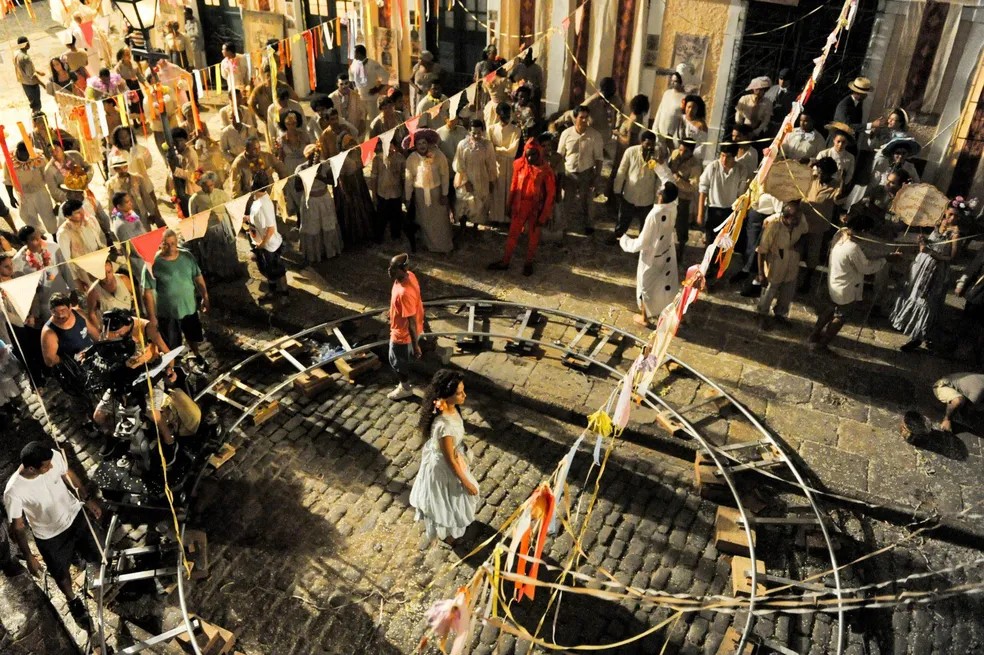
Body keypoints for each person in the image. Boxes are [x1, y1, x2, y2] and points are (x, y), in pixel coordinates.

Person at [4, 442, 102, 625]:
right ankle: (73, 600)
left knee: (95, 552)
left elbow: (67, 473)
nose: (51, 467)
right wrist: (29, 556)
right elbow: (18, 526)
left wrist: (87, 499)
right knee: (62, 575)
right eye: (46, 466)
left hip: (75, 516)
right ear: (32, 468)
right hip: (51, 537)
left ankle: (96, 575)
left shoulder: (52, 456)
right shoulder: (13, 491)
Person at [409, 369, 479, 546]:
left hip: (453, 457)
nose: (464, 395)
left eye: (463, 390)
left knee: (451, 499)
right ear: (446, 396)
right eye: (459, 393)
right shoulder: (444, 427)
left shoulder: (452, 408)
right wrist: (467, 483)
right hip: (444, 469)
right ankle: (446, 531)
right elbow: (450, 461)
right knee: (445, 501)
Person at [809, 216, 893, 353]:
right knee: (840, 316)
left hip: (834, 281)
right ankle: (822, 344)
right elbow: (866, 268)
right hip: (846, 287)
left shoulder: (839, 236)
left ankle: (814, 335)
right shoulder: (853, 248)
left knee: (829, 310)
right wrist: (885, 260)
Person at [890, 205, 960, 353]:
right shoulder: (936, 226)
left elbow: (951, 257)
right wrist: (923, 242)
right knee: (913, 294)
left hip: (936, 270)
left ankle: (919, 337)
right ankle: (910, 327)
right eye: (950, 214)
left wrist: (933, 253)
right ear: (944, 213)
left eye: (955, 216)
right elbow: (930, 243)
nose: (952, 218)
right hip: (922, 265)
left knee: (927, 302)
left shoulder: (954, 233)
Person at [487, 138, 557, 276]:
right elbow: (514, 185)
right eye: (528, 154)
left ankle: (528, 263)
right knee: (513, 234)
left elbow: (550, 195)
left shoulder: (546, 171)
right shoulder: (519, 165)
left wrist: (544, 215)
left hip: (536, 208)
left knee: (533, 236)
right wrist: (509, 205)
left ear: (539, 154)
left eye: (534, 155)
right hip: (519, 205)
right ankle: (505, 261)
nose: (530, 158)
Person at [619, 182, 680, 327]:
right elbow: (669, 180)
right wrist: (660, 166)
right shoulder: (673, 206)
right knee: (668, 285)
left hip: (653, 257)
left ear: (660, 195)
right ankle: (673, 314)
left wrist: (624, 240)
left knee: (646, 287)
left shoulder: (654, 215)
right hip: (667, 251)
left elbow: (642, 242)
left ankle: (644, 318)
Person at [141, 229, 210, 359]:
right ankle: (175, 365)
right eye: (166, 244)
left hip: (189, 307)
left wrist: (205, 296)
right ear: (160, 244)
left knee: (192, 335)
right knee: (172, 343)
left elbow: (198, 276)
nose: (171, 247)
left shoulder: (187, 257)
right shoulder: (152, 264)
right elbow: (147, 293)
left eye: (173, 243)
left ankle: (196, 354)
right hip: (167, 313)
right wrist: (152, 316)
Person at [755, 201, 807, 330]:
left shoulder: (800, 222)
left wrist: (800, 245)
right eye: (794, 218)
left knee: (788, 292)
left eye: (798, 217)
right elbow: (761, 250)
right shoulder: (774, 226)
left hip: (792, 261)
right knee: (769, 291)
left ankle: (780, 314)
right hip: (775, 262)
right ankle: (762, 315)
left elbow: (805, 233)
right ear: (785, 217)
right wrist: (761, 273)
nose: (797, 221)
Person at [697, 143, 746, 279]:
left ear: (734, 157)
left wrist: (737, 216)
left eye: (728, 157)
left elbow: (740, 194)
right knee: (711, 244)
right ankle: (705, 272)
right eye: (722, 155)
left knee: (724, 246)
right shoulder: (713, 167)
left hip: (730, 212)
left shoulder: (741, 169)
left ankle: (717, 273)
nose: (724, 160)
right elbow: (703, 190)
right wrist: (700, 213)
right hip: (713, 210)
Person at [557, 105, 604, 235]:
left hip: (586, 173)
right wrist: (558, 174)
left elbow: (599, 158)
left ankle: (589, 225)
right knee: (567, 201)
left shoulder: (595, 135)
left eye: (586, 117)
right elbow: (560, 155)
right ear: (575, 118)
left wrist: (597, 176)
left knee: (587, 202)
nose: (584, 120)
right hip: (569, 173)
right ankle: (563, 225)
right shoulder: (566, 134)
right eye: (581, 117)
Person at [610, 131, 665, 243]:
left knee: (645, 223)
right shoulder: (631, 151)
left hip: (647, 197)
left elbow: (659, 177)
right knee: (623, 219)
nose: (650, 147)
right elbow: (622, 171)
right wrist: (617, 190)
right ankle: (617, 237)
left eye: (652, 144)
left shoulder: (656, 155)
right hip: (630, 194)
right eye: (648, 144)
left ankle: (643, 243)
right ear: (642, 142)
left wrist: (657, 197)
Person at [404, 129, 452, 253]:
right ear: (415, 146)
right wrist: (408, 198)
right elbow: (409, 180)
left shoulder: (438, 155)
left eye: (424, 143)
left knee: (440, 220)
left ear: (428, 143)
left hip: (436, 192)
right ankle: (430, 245)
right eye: (419, 144)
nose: (422, 146)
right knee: (425, 220)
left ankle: (443, 246)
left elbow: (444, 175)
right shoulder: (411, 159)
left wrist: (444, 193)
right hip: (421, 193)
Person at [798, 157, 840, 293]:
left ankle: (807, 281)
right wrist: (811, 164)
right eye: (820, 171)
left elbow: (839, 199)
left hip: (818, 226)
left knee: (813, 254)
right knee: (796, 250)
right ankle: (791, 276)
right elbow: (801, 173)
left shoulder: (836, 186)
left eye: (824, 173)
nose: (821, 175)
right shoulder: (812, 178)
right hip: (801, 222)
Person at [245, 172, 288, 302]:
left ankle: (285, 295)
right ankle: (272, 291)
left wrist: (262, 244)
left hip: (270, 245)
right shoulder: (258, 200)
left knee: (278, 270)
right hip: (261, 242)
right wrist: (248, 218)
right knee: (268, 269)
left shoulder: (265, 204)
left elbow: (271, 228)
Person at [387, 253, 424, 401]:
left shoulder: (404, 293)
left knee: (397, 363)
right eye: (390, 267)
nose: (390, 270)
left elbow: (411, 321)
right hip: (403, 328)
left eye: (394, 268)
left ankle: (405, 388)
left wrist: (416, 346)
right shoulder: (408, 276)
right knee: (400, 360)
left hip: (401, 335)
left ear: (403, 269)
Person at [295, 146, 343, 263]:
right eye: (311, 157)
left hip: (325, 200)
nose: (314, 160)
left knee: (328, 225)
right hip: (310, 201)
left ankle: (330, 250)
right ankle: (314, 253)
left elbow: (333, 181)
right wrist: (308, 178)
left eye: (316, 157)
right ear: (307, 157)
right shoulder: (301, 168)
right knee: (312, 227)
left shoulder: (325, 166)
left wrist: (320, 177)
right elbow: (297, 187)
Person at [452, 119, 497, 231]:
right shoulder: (462, 145)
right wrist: (465, 181)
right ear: (469, 131)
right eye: (473, 133)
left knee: (480, 204)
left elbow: (491, 164)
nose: (476, 135)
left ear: (482, 131)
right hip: (466, 176)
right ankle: (463, 227)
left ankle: (475, 227)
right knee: (464, 202)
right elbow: (459, 164)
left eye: (479, 132)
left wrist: (491, 180)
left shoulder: (487, 145)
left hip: (482, 178)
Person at [334, 135, 377, 248]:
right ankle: (355, 239)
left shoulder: (356, 153)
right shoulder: (341, 158)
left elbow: (361, 166)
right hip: (350, 187)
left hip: (359, 184)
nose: (351, 145)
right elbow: (341, 178)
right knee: (353, 213)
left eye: (352, 142)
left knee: (364, 210)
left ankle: (366, 235)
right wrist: (346, 194)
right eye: (349, 144)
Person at [5, 142, 57, 235]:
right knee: (28, 217)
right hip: (23, 194)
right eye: (24, 155)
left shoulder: (38, 157)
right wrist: (11, 197)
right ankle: (38, 236)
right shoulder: (9, 162)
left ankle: (54, 234)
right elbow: (8, 180)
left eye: (28, 154)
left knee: (48, 214)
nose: (26, 157)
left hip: (40, 190)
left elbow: (47, 174)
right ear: (18, 152)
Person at [57, 199, 107, 292]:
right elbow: (66, 259)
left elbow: (100, 237)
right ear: (68, 216)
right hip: (84, 269)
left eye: (82, 210)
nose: (82, 214)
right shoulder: (64, 233)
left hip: (101, 261)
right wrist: (76, 279)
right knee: (97, 294)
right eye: (77, 212)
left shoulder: (91, 220)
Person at [41, 292, 98, 371]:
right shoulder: (48, 332)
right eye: (55, 312)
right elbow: (50, 361)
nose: (60, 315)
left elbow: (95, 334)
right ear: (51, 311)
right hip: (76, 370)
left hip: (94, 358)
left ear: (70, 307)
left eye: (63, 310)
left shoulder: (78, 312)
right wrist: (72, 359)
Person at [667, 140, 703, 261]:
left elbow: (693, 187)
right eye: (680, 149)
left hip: (682, 198)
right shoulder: (675, 154)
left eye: (684, 151)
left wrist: (678, 179)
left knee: (681, 225)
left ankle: (680, 251)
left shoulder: (695, 165)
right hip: (668, 194)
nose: (681, 152)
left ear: (691, 151)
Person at [488, 103, 521, 225]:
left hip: (510, 165)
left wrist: (497, 149)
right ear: (498, 115)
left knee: (508, 190)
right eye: (503, 116)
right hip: (495, 164)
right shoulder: (491, 129)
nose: (506, 119)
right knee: (496, 190)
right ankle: (495, 217)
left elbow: (512, 151)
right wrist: (500, 149)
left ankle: (507, 218)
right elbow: (489, 149)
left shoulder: (516, 130)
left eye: (507, 115)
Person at [368, 139, 406, 244]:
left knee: (396, 216)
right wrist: (374, 195)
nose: (389, 148)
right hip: (382, 193)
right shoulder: (378, 159)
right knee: (381, 216)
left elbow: (404, 178)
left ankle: (396, 235)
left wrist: (404, 193)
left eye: (391, 145)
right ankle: (378, 237)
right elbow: (373, 178)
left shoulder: (400, 159)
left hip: (396, 192)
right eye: (387, 145)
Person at [86, 254, 136, 332]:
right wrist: (100, 331)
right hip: (112, 327)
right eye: (103, 273)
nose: (107, 276)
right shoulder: (93, 292)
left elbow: (135, 296)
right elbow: (91, 314)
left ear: (112, 270)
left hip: (130, 318)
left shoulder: (123, 279)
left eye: (109, 272)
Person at [106, 160, 160, 228]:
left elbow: (145, 197)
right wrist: (114, 221)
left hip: (141, 214)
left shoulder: (137, 178)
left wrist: (152, 213)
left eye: (125, 167)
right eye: (119, 169)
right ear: (115, 169)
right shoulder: (111, 184)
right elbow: (111, 204)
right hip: (126, 217)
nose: (123, 170)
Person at [955, 248, 984, 367]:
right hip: (979, 295)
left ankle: (959, 349)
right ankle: (978, 356)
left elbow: (973, 269)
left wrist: (961, 285)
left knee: (967, 323)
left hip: (979, 295)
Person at [349, 44, 387, 123]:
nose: (353, 55)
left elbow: (386, 76)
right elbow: (351, 78)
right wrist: (355, 88)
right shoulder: (354, 64)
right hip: (359, 98)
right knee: (360, 120)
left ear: (359, 53)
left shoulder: (373, 64)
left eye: (354, 53)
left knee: (374, 120)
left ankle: (375, 134)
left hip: (371, 98)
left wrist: (377, 89)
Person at [815, 126, 856, 190]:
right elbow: (815, 170)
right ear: (834, 140)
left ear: (847, 143)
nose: (840, 145)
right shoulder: (823, 154)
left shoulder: (850, 157)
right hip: (821, 186)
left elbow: (849, 174)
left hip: (837, 188)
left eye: (843, 142)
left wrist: (841, 185)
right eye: (838, 141)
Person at [273, 110, 313, 174]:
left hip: (305, 167)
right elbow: (280, 159)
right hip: (290, 169)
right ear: (284, 124)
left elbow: (311, 152)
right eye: (288, 124)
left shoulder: (305, 136)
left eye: (294, 123)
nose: (291, 126)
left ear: (297, 123)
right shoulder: (281, 140)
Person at [734, 76, 773, 141]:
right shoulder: (745, 99)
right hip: (743, 129)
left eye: (761, 90)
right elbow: (738, 114)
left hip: (757, 131)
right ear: (753, 89)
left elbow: (766, 120)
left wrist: (755, 132)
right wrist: (740, 128)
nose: (759, 92)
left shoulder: (768, 103)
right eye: (757, 89)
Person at [653, 72, 685, 142]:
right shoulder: (667, 93)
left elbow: (682, 119)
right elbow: (660, 110)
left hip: (672, 132)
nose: (673, 83)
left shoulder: (684, 97)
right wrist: (655, 127)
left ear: (681, 82)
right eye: (672, 80)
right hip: (660, 128)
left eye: (675, 81)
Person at [114, 47, 145, 120]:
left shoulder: (133, 63)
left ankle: (141, 119)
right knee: (131, 103)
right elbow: (117, 77)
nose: (129, 56)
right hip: (127, 85)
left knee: (140, 101)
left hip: (135, 84)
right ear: (122, 56)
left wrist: (144, 84)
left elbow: (139, 75)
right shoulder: (119, 67)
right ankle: (134, 120)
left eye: (129, 54)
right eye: (126, 54)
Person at [15, 37, 44, 113]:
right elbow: (32, 76)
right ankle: (37, 121)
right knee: (36, 106)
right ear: (26, 44)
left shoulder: (16, 54)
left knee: (33, 104)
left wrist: (37, 71)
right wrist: (43, 84)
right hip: (31, 84)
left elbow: (23, 68)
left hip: (24, 83)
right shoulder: (26, 58)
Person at [674, 95, 708, 160]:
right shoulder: (680, 118)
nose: (690, 110)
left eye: (694, 108)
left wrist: (690, 155)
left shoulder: (701, 125)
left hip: (691, 158)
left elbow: (702, 146)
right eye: (689, 107)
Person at [765, 68, 794, 133]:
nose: (782, 82)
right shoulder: (772, 89)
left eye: (785, 80)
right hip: (767, 125)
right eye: (780, 79)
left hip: (782, 127)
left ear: (790, 80)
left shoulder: (795, 94)